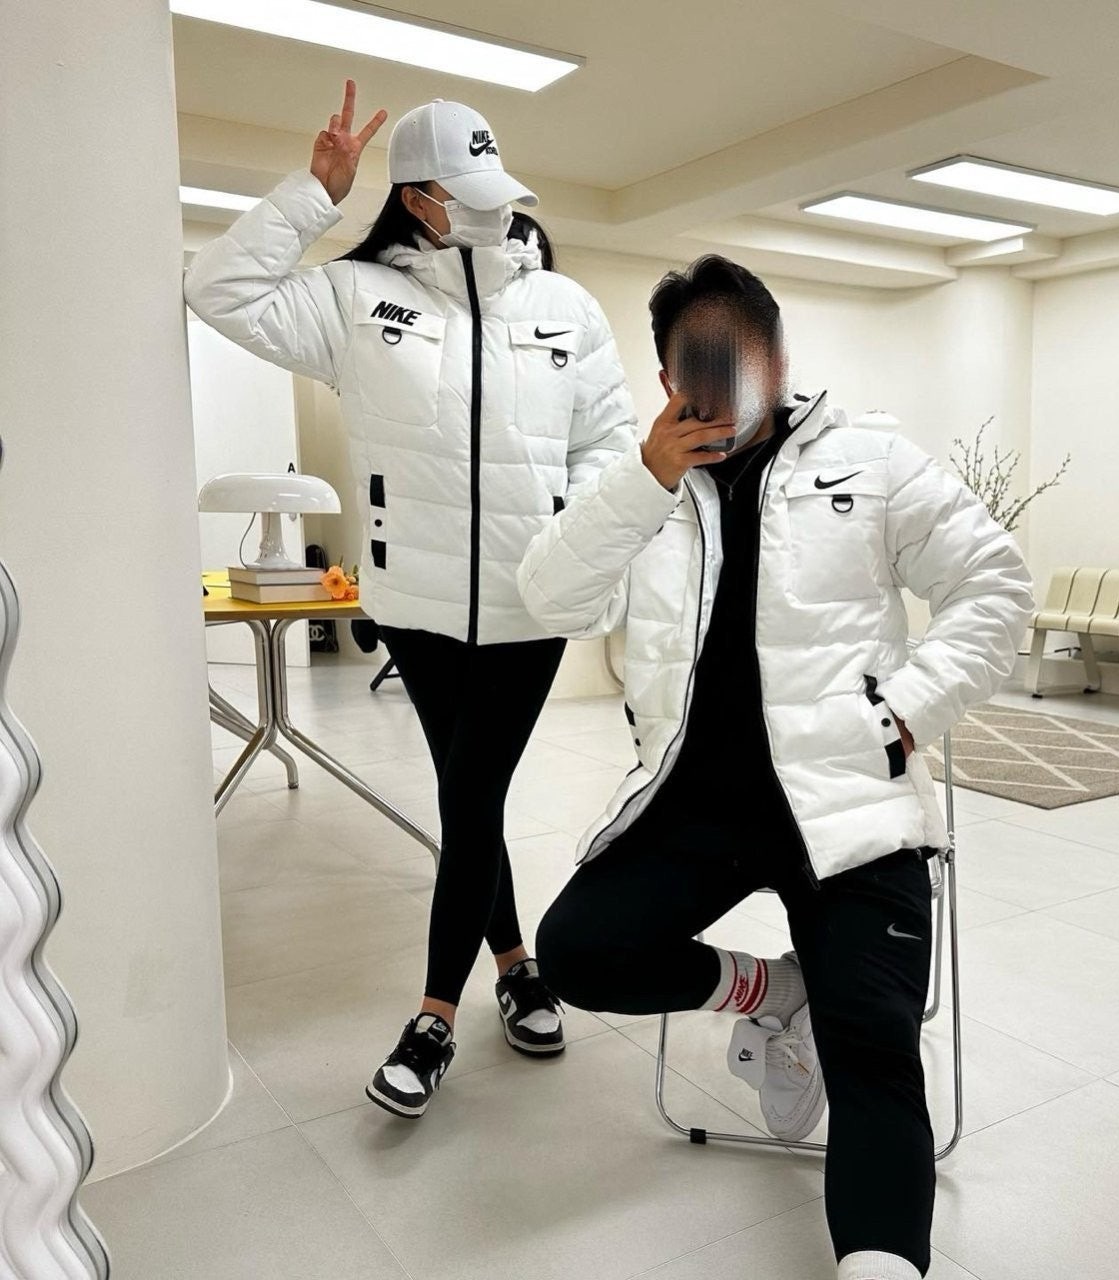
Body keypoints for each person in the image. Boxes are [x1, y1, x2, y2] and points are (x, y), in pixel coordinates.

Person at [517, 255, 1035, 1280]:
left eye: (746, 364)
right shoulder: (641, 486)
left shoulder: (872, 461)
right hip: (688, 807)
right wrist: (644, 479)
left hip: (848, 807)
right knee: (574, 953)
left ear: (782, 357)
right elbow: (548, 599)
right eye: (702, 373)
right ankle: (768, 990)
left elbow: (995, 584)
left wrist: (908, 707)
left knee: (871, 1040)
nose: (729, 393)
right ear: (668, 381)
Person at [184, 81, 638, 1120]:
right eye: (466, 194)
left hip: (529, 604)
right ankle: (517, 967)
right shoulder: (354, 300)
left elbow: (608, 443)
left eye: (497, 191)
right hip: (415, 606)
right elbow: (217, 290)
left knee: (470, 798)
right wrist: (315, 193)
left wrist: (573, 543)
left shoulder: (563, 308)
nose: (491, 211)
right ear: (419, 198)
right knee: (472, 799)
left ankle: (433, 1019)